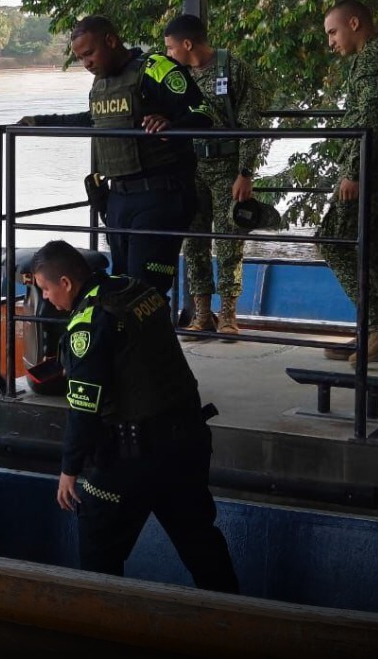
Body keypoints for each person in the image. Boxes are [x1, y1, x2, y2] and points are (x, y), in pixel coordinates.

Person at [28, 240, 239, 593]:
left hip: (132, 456)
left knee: (97, 551)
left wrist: (69, 469)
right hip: (188, 439)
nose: (46, 299)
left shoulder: (87, 324)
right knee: (201, 542)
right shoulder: (135, 290)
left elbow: (84, 410)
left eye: (46, 289)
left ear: (66, 283)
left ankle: (102, 626)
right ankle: (235, 621)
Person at [19, 16, 214, 303]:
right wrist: (39, 121)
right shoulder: (101, 85)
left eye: (89, 53)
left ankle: (156, 347)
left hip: (160, 195)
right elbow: (93, 120)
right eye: (80, 58)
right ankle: (133, 348)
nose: (86, 63)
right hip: (118, 198)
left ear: (111, 41)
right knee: (121, 287)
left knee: (145, 292)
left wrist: (171, 124)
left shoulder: (156, 69)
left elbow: (204, 114)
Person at [164, 14, 267, 342]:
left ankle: (229, 315)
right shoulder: (174, 76)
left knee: (229, 241)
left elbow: (251, 122)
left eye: (170, 47)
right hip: (190, 166)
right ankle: (202, 314)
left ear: (187, 44)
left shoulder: (232, 67)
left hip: (227, 168)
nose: (167, 54)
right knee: (193, 241)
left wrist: (245, 173)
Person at [322, 0, 378, 366]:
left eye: (333, 32)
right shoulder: (363, 59)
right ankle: (369, 327)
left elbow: (371, 115)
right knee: (367, 249)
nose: (330, 41)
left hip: (368, 171)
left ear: (354, 23)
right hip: (366, 167)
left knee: (332, 239)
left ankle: (374, 324)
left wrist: (354, 172)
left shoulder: (372, 59)